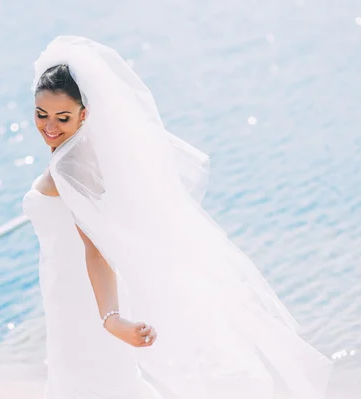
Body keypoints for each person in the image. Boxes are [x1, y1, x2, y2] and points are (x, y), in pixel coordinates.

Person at [22, 36, 333, 399]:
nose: (49, 126)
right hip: (66, 290)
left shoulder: (71, 166)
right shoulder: (77, 154)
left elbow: (97, 248)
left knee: (91, 385)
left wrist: (111, 319)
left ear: (84, 114)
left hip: (85, 297)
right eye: (41, 114)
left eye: (63, 117)